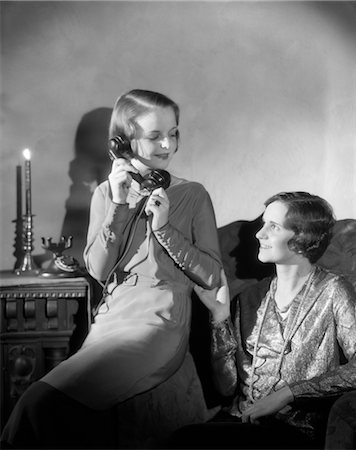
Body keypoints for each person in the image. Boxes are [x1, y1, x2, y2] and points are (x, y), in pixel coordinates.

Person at [1, 89, 222, 449]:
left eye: (174, 133)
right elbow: (100, 270)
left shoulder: (193, 195)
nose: (168, 144)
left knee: (38, 405)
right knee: (39, 408)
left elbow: (212, 275)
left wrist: (164, 228)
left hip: (160, 323)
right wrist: (119, 204)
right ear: (123, 143)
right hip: (111, 321)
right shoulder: (106, 193)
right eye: (155, 136)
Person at [169, 191, 356, 449]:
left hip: (295, 429)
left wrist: (288, 394)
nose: (259, 233)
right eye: (263, 224)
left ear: (302, 238)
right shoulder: (250, 298)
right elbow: (226, 387)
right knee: (181, 439)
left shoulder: (334, 291)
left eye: (273, 226)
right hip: (240, 422)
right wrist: (219, 319)